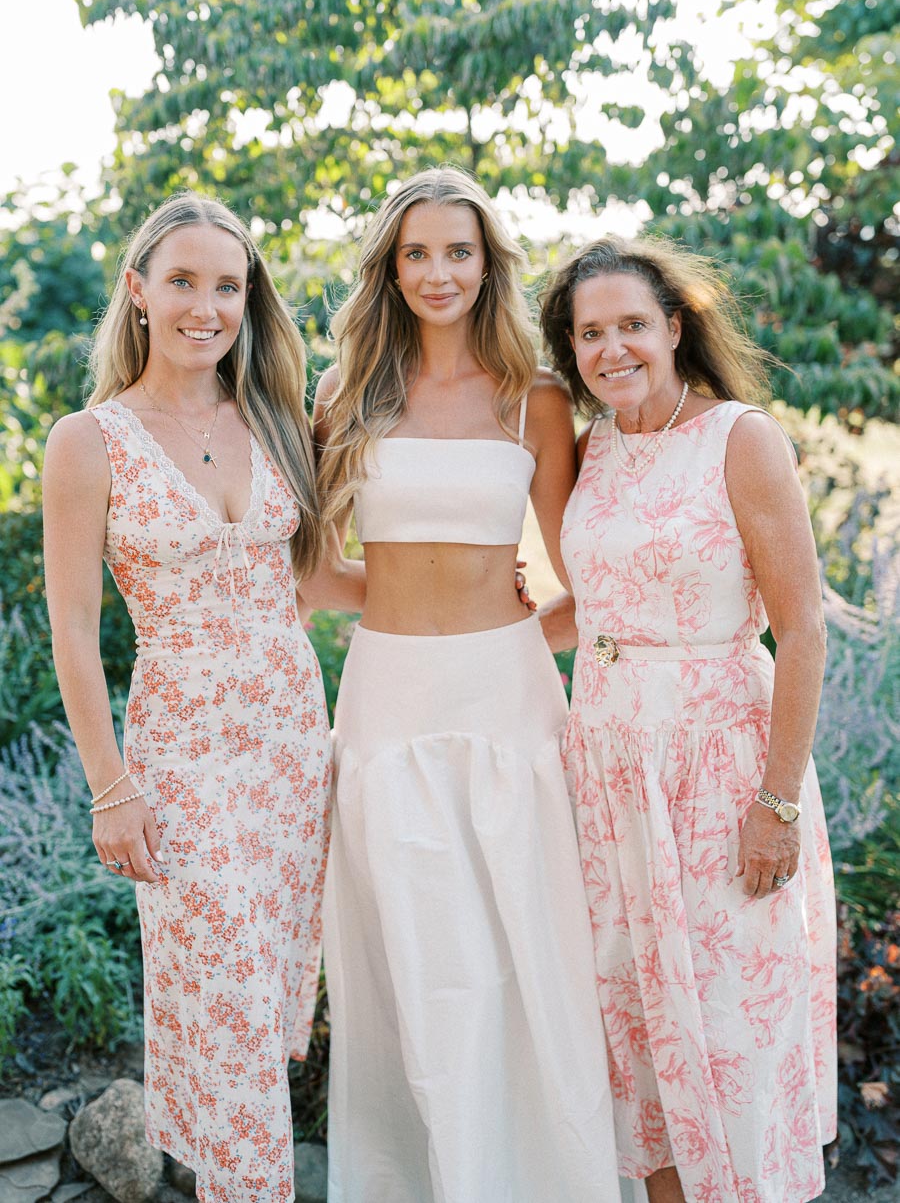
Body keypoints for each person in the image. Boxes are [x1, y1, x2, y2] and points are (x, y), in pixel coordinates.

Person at [307, 167, 625, 1203]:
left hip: (509, 696)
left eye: (458, 251)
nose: (438, 272)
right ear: (389, 271)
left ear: (488, 264)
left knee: (530, 956)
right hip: (390, 695)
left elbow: (592, 569)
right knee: (415, 965)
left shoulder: (535, 397)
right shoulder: (345, 394)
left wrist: (518, 621)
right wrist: (398, 590)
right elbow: (311, 569)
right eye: (416, 254)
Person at [43, 193, 332, 1203]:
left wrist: (486, 602)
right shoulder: (90, 440)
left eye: (227, 285)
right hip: (181, 752)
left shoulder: (277, 419)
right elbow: (74, 631)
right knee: (230, 1003)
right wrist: (109, 788)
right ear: (137, 291)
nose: (206, 306)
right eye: (182, 281)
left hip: (295, 747)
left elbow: (322, 579)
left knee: (260, 1016)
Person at [538, 235, 837, 1203]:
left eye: (631, 324)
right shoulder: (596, 448)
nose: (612, 347)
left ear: (674, 328)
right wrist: (475, 639)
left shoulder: (740, 439)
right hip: (612, 778)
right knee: (644, 1043)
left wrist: (777, 804)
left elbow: (801, 631)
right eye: (590, 333)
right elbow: (600, 603)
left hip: (719, 778)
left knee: (733, 1043)